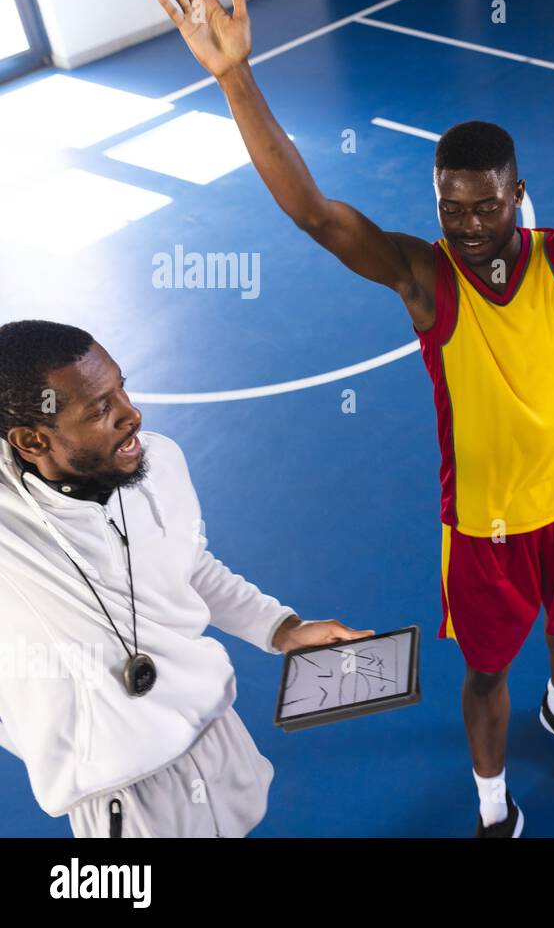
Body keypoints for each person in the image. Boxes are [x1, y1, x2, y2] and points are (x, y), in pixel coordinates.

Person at [153, 0, 554, 836]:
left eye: (483, 205)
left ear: (518, 194)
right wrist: (234, 77)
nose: (466, 224)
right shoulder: (427, 277)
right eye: (449, 206)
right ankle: (490, 805)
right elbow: (318, 215)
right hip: (485, 527)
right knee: (482, 671)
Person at [0, 321, 370, 837]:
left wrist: (281, 628)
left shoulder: (160, 461)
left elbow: (188, 564)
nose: (131, 414)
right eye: (100, 410)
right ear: (31, 438)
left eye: (121, 388)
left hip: (215, 733)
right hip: (122, 795)